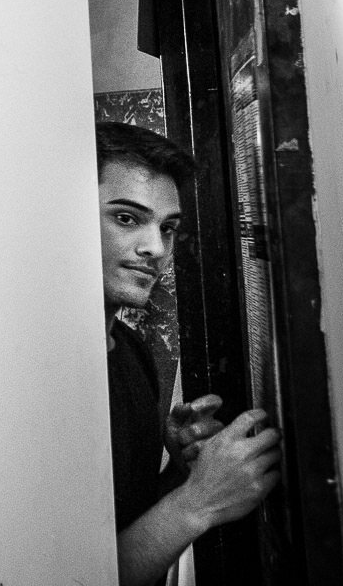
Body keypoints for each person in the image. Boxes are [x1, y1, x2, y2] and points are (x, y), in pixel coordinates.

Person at [95, 121, 282, 586]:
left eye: (169, 227)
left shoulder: (130, 351)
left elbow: (123, 532)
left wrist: (186, 475)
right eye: (126, 218)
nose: (156, 248)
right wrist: (199, 500)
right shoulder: (32, 379)